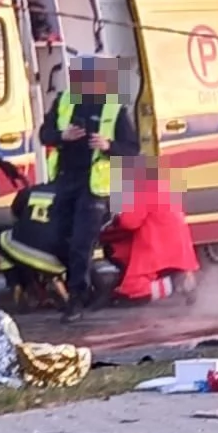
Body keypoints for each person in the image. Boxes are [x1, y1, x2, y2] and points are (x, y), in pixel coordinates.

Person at [39, 54, 140, 322]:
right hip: (65, 180)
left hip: (95, 187)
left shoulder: (113, 109)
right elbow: (44, 134)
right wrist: (62, 136)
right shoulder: (64, 101)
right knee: (57, 237)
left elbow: (132, 150)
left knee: (82, 243)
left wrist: (109, 147)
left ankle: (76, 299)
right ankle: (94, 282)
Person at [99, 155, 199, 302]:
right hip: (177, 247)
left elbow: (130, 222)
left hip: (158, 246)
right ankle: (182, 279)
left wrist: (114, 220)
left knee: (133, 289)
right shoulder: (159, 182)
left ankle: (175, 283)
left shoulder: (139, 187)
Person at [0, 181, 68, 309]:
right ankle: (63, 292)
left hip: (20, 249)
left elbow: (15, 215)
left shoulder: (30, 191)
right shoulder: (71, 195)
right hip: (54, 260)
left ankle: (16, 284)